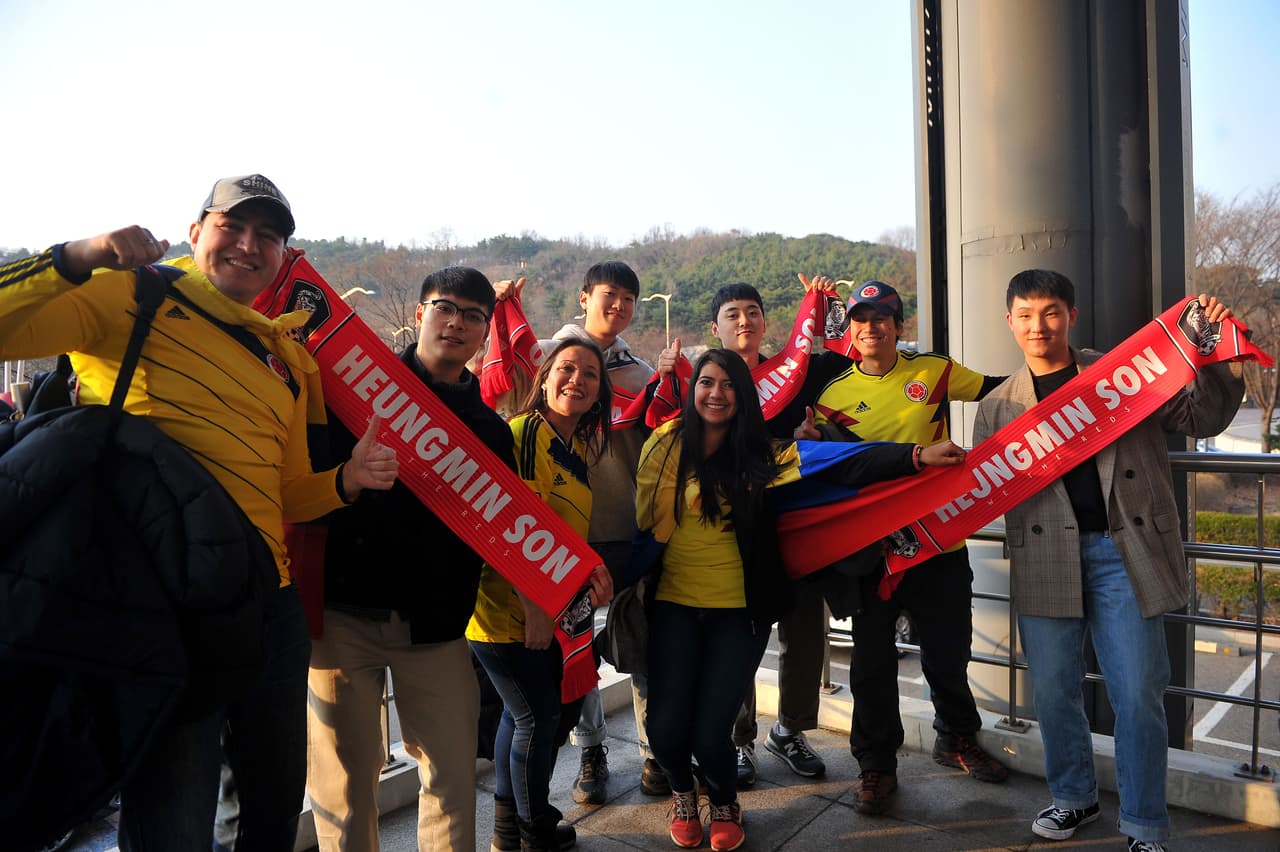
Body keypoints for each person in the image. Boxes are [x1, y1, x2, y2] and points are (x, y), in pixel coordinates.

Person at [0, 174, 398, 849]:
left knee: (272, 808)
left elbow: (287, 491)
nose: (249, 245)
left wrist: (347, 481)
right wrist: (75, 256)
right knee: (175, 821)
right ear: (195, 233)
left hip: (269, 608)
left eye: (267, 236)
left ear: (282, 256)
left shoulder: (287, 358)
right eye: (232, 226)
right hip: (163, 607)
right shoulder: (129, 294)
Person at [638, 348, 965, 851]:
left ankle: (723, 799)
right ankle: (684, 792)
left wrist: (915, 456)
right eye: (706, 382)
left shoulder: (766, 455)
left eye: (729, 384)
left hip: (737, 613)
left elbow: (844, 463)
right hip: (672, 608)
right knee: (663, 728)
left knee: (710, 731)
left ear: (744, 396)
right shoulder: (663, 446)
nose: (716, 393)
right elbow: (641, 526)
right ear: (692, 389)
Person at [973, 269, 1243, 852]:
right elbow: (986, 488)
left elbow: (1202, 418)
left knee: (1139, 692)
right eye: (1024, 315)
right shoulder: (996, 407)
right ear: (1010, 322)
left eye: (1049, 312)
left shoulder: (1125, 372)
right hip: (1046, 555)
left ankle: (1145, 823)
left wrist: (1215, 352)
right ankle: (1073, 798)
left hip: (1126, 550)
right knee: (1052, 692)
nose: (1037, 325)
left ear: (1071, 315)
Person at [305, 267, 514, 850]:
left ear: (484, 333)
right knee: (342, 788)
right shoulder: (355, 392)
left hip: (440, 631)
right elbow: (304, 486)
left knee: (451, 779)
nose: (458, 323)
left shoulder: (492, 435)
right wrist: (347, 479)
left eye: (474, 315)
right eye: (446, 307)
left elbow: (506, 534)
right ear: (420, 315)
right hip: (342, 619)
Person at [798, 279, 1009, 815]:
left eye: (883, 317)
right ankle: (876, 766)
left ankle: (957, 738)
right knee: (871, 662)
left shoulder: (933, 371)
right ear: (851, 328)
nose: (873, 327)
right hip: (870, 550)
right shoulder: (829, 393)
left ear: (898, 324)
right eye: (862, 318)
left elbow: (1003, 390)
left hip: (938, 540)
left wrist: (1081, 373)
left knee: (948, 651)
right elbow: (822, 463)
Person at [495, 262, 667, 802]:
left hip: (625, 529)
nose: (617, 306)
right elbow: (496, 378)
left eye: (628, 299)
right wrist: (499, 310)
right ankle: (591, 750)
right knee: (577, 654)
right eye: (608, 295)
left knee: (640, 643)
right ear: (584, 296)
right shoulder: (547, 356)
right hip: (562, 536)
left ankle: (652, 752)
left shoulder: (642, 374)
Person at [468, 337, 615, 852]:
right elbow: (510, 519)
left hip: (542, 611)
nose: (577, 380)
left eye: (589, 374)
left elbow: (559, 527)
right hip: (510, 612)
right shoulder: (526, 433)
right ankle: (534, 830)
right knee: (539, 718)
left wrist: (590, 565)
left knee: (520, 716)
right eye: (567, 369)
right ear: (544, 377)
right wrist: (533, 605)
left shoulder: (569, 445)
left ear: (600, 393)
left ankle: (509, 831)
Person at [706, 278, 854, 786]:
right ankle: (739, 737)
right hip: (732, 535)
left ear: (767, 321)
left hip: (797, 528)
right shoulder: (706, 383)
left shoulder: (796, 376)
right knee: (739, 640)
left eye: (753, 311)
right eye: (733, 314)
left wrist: (813, 439)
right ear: (716, 327)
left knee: (807, 634)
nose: (744, 321)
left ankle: (790, 730)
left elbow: (845, 366)